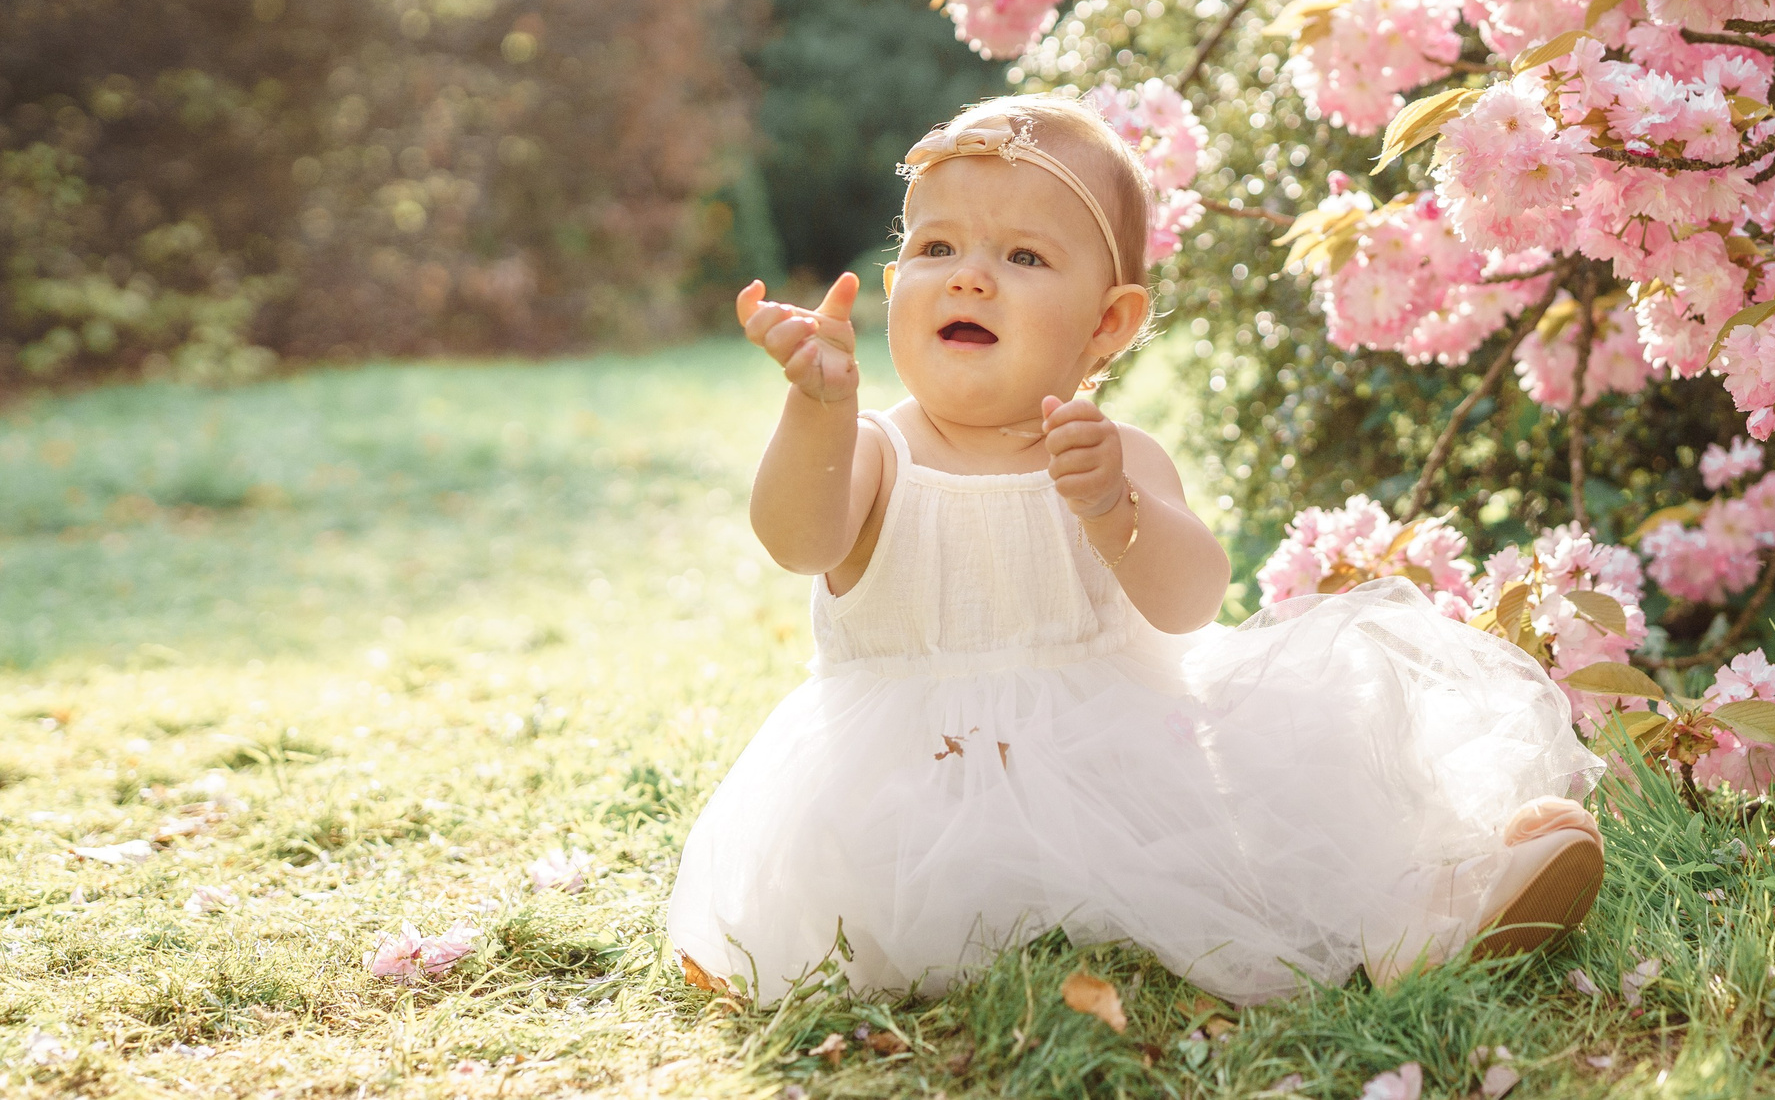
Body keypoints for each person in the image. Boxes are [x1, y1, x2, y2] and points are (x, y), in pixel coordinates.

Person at [667, 95, 1604, 1006]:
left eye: (1023, 255)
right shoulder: (876, 452)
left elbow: (1189, 603)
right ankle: (1380, 909)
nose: (969, 276)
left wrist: (1115, 507)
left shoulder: (1121, 457)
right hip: (910, 807)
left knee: (1275, 825)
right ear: (891, 285)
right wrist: (818, 411)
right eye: (935, 247)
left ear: (1107, 322)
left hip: (1117, 776)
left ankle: (1428, 911)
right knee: (1128, 880)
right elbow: (796, 540)